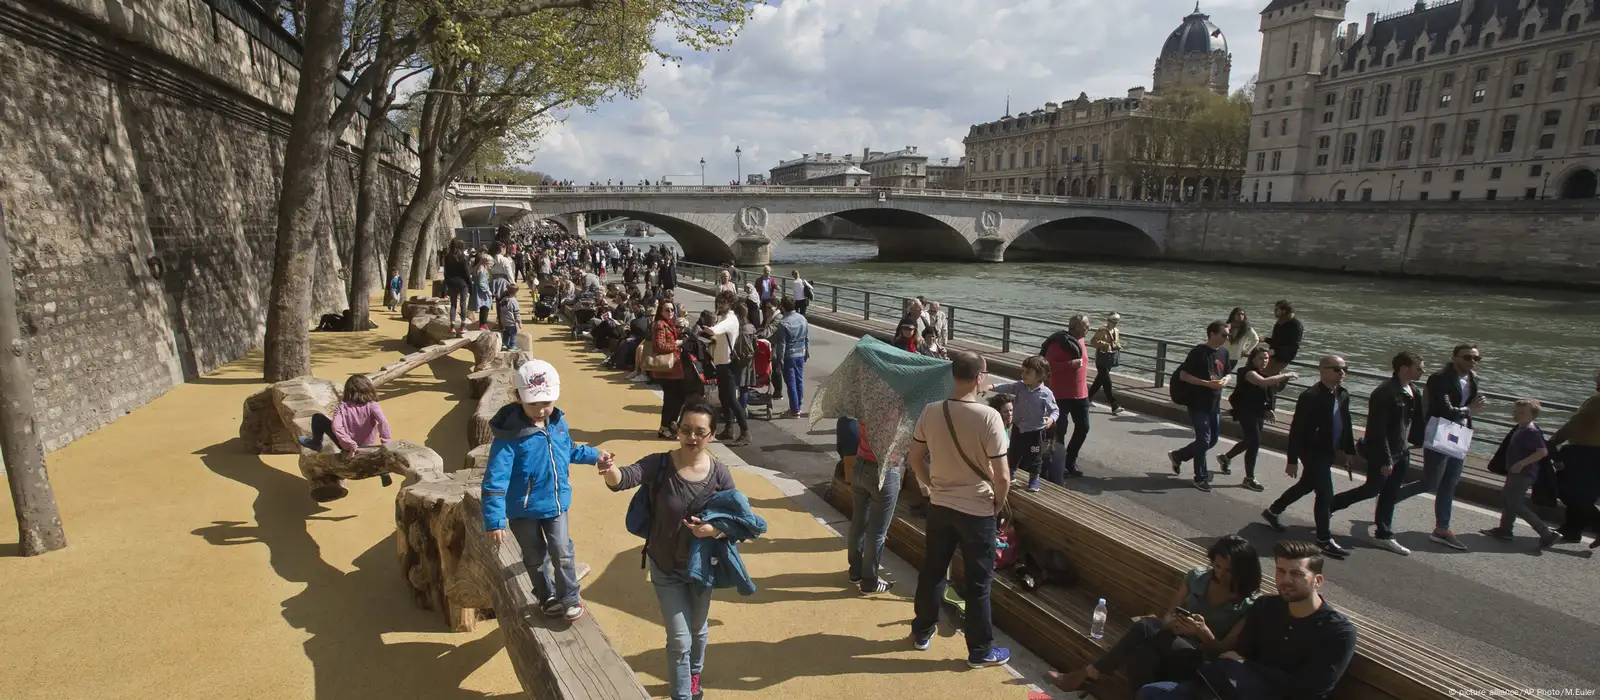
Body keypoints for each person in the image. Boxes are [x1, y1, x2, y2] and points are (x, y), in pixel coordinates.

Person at [598, 400, 739, 700]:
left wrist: (713, 529)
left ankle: (695, 673)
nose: (692, 437)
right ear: (677, 429)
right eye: (686, 429)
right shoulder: (659, 464)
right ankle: (683, 695)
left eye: (700, 432)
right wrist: (609, 469)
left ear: (711, 436)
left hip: (703, 568)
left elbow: (737, 519)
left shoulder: (721, 474)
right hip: (665, 567)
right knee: (679, 639)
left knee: (698, 631)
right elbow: (625, 477)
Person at [1134, 541, 1357, 700]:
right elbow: (1237, 654)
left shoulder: (1337, 632)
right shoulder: (1266, 607)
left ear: (1317, 581)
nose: (1286, 580)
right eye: (1281, 571)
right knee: (1151, 693)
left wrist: (1249, 667)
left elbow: (1310, 690)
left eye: (1297, 574)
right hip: (1230, 687)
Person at [481, 360, 610, 622]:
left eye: (547, 402)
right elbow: (495, 480)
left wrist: (596, 455)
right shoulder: (509, 437)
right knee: (534, 556)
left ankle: (570, 596)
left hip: (556, 504)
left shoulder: (557, 424)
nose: (541, 410)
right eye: (534, 403)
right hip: (523, 509)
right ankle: (545, 595)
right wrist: (494, 520)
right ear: (518, 398)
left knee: (562, 549)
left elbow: (569, 449)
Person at [1048, 535, 1261, 693]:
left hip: (1200, 662)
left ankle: (1090, 673)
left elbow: (1222, 650)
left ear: (1243, 572)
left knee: (1145, 627)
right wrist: (1174, 624)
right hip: (1170, 643)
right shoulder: (1197, 577)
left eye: (1228, 571)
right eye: (1217, 566)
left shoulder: (1247, 606)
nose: (1220, 574)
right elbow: (1167, 617)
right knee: (1142, 653)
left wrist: (1203, 632)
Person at [907, 351, 1013, 669]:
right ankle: (980, 650)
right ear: (979, 378)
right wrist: (995, 503)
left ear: (953, 375)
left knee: (933, 572)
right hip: (977, 510)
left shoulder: (931, 411)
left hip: (940, 505)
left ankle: (922, 633)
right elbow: (1003, 476)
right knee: (979, 582)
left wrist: (929, 486)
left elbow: (914, 458)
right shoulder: (989, 417)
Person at [1326, 351, 1425, 556]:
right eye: (1419, 367)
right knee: (1372, 489)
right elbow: (1377, 430)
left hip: (1402, 451)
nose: (1423, 371)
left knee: (1390, 494)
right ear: (1404, 368)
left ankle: (1384, 534)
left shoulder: (1413, 390)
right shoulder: (1385, 392)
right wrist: (1386, 459)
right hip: (1385, 452)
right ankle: (1329, 505)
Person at [1262, 355, 1357, 559]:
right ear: (1323, 370)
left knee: (1307, 484)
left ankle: (1274, 510)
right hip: (1312, 451)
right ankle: (1324, 539)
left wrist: (1349, 451)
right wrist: (1292, 460)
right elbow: (1297, 430)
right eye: (1337, 369)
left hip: (1329, 450)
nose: (1342, 373)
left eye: (1345, 369)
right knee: (1325, 494)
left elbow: (1346, 423)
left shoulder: (1343, 394)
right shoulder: (1311, 396)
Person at [1396, 343, 1485, 551]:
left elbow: (1467, 408)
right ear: (1455, 358)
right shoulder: (1440, 378)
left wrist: (1470, 411)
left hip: (1460, 434)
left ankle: (1442, 529)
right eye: (1467, 357)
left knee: (1450, 482)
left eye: (1476, 358)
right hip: (1440, 431)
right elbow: (1442, 409)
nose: (1472, 362)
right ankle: (1389, 500)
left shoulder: (1474, 379)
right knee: (1430, 482)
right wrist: (1468, 409)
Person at [1481, 399, 1560, 548]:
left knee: (1515, 503)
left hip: (1524, 473)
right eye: (1515, 411)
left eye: (1522, 413)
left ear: (1533, 415)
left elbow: (1542, 452)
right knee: (1508, 498)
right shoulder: (1521, 428)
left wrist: (1521, 464)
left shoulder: (1531, 431)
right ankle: (1505, 529)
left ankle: (1546, 533)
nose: (1517, 415)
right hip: (1516, 471)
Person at [1217, 347, 1297, 492]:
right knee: (1254, 443)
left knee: (1250, 441)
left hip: (1257, 412)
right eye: (1260, 358)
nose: (1264, 361)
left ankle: (1226, 457)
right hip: (1246, 412)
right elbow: (1263, 383)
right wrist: (1286, 375)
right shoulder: (1247, 372)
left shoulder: (1263, 373)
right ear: (1252, 359)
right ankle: (1249, 478)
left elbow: (1268, 392)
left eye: (1266, 358)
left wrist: (1268, 409)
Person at [1167, 321, 1231, 492]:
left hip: (1214, 403)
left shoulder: (1224, 352)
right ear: (1212, 334)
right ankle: (1200, 477)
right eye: (1224, 334)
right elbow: (1184, 375)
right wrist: (1205, 383)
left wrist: (1225, 380)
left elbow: (1228, 373)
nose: (1227, 338)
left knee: (1213, 440)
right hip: (1197, 403)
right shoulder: (1199, 352)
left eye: (1228, 334)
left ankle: (1179, 455)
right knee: (1204, 440)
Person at [299, 374, 393, 483]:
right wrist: (386, 442)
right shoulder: (373, 405)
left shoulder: (342, 407)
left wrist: (350, 444)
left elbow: (336, 427)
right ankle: (384, 471)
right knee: (376, 427)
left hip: (347, 447)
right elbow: (383, 422)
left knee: (317, 418)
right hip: (369, 445)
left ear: (347, 391)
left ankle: (316, 443)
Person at [988, 355, 1060, 491]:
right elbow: (1007, 387)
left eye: (1028, 372)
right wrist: (991, 386)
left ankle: (1034, 480)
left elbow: (1055, 410)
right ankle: (1012, 474)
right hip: (1018, 428)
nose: (1024, 375)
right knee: (1014, 452)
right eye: (1023, 371)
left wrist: (1051, 419)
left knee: (1034, 456)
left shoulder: (1046, 393)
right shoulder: (1020, 386)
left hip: (1035, 432)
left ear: (1040, 375)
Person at [846, 416, 898, 594]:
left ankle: (855, 571)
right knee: (877, 531)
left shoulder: (866, 396)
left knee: (858, 522)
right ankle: (870, 581)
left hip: (860, 464)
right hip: (884, 469)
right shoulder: (899, 402)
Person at [1548, 369, 1600, 546]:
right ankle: (1572, 529)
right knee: (1586, 493)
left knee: (1568, 491)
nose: (1596, 379)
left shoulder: (1597, 400)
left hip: (1584, 452)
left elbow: (1575, 423)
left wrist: (1554, 441)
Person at [1042, 314, 1092, 478]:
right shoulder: (1059, 344)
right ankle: (1059, 463)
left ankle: (1071, 460)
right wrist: (1069, 364)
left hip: (1081, 394)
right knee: (1060, 430)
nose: (1089, 328)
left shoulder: (1082, 341)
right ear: (1077, 326)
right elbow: (1046, 366)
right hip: (1061, 394)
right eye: (1086, 325)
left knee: (1083, 427)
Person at [700, 291, 750, 446]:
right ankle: (729, 429)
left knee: (732, 399)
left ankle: (745, 431)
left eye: (723, 302)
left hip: (727, 364)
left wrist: (709, 329)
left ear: (730, 303)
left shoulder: (730, 319)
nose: (720, 305)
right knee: (724, 398)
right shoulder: (724, 317)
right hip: (721, 363)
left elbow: (719, 329)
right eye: (719, 302)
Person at [772, 297, 809, 418]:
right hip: (800, 353)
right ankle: (798, 405)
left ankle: (794, 410)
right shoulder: (802, 319)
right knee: (799, 380)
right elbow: (806, 338)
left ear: (782, 307)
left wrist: (779, 360)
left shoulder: (783, 323)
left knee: (791, 383)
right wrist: (806, 351)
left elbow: (781, 344)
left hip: (789, 355)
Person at [1088, 312, 1124, 415]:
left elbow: (1115, 342)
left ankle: (1088, 398)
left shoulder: (1116, 331)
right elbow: (1093, 341)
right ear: (1109, 321)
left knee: (1099, 381)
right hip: (1101, 359)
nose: (1115, 324)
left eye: (1116, 322)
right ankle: (1114, 405)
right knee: (1107, 382)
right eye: (1113, 321)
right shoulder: (1102, 331)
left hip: (1110, 358)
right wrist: (1104, 344)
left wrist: (1117, 345)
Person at [1262, 300, 1302, 381]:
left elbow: (1294, 346)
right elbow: (1276, 341)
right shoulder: (1279, 323)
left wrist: (1276, 351)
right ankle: (1281, 380)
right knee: (1265, 374)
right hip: (1273, 354)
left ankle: (1283, 380)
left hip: (1283, 357)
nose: (1274, 311)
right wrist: (1264, 339)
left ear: (1284, 311)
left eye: (1277, 309)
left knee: (1267, 376)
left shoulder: (1295, 325)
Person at [443, 240, 472, 336]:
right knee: (463, 304)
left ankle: (452, 327)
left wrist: (446, 283)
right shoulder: (463, 258)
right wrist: (470, 285)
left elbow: (446, 272)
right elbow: (466, 273)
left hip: (451, 282)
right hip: (462, 283)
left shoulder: (447, 258)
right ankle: (463, 326)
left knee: (453, 305)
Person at [1224, 307, 1258, 372]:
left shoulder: (1246, 328)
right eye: (1238, 314)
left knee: (1224, 373)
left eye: (1242, 314)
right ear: (1233, 315)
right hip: (1222, 353)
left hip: (1234, 356)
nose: (1240, 316)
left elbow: (1255, 339)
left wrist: (1246, 351)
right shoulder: (1227, 325)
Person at [471, 253, 494, 331]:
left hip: (477, 291)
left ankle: (482, 324)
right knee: (485, 307)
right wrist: (488, 291)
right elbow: (482, 283)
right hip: (483, 293)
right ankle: (483, 324)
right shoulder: (483, 270)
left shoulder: (476, 268)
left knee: (482, 308)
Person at [496, 283, 521, 351]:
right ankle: (512, 346)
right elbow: (516, 313)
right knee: (513, 332)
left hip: (503, 320)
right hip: (510, 321)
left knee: (506, 332)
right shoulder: (514, 301)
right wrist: (519, 322)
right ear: (515, 292)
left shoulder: (503, 299)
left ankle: (504, 344)